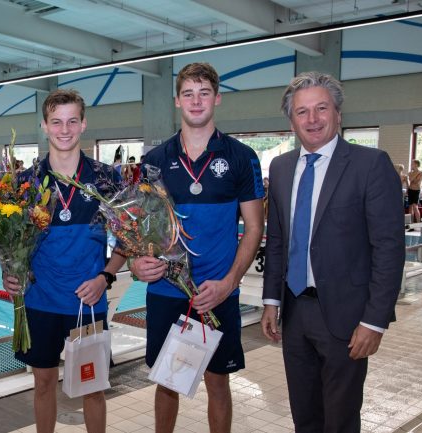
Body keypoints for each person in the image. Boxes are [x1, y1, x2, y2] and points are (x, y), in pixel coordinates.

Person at [261, 71, 404, 433]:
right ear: (291, 120)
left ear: (338, 114)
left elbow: (388, 248)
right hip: (294, 311)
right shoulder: (280, 168)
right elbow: (277, 240)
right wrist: (271, 303)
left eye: (321, 108)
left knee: (339, 420)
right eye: (302, 112)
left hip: (345, 317)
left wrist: (374, 321)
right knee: (305, 416)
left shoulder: (370, 165)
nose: (313, 119)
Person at [129, 62, 265, 433]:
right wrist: (138, 264)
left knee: (218, 382)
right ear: (177, 101)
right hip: (166, 291)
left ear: (217, 98)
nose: (196, 100)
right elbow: (142, 230)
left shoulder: (241, 157)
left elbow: (255, 227)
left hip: (217, 292)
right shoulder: (155, 161)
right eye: (188, 93)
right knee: (167, 381)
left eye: (204, 92)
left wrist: (229, 283)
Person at [3, 89, 126, 433]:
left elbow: (129, 239)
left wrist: (106, 276)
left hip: (87, 302)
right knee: (43, 384)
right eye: (56, 121)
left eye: (72, 120)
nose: (65, 129)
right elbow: (11, 242)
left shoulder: (105, 179)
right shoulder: (26, 183)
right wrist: (8, 273)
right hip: (40, 301)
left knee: (94, 387)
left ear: (84, 123)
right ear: (44, 126)